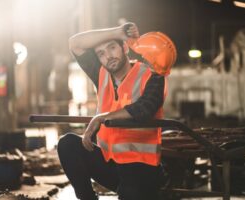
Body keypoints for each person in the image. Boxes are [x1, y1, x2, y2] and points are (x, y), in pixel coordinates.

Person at [57, 22, 169, 200]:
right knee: (67, 144)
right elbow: (75, 43)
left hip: (142, 168)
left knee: (129, 193)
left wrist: (101, 118)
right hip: (111, 162)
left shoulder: (152, 76)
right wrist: (118, 32)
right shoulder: (101, 74)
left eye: (112, 48)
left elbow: (144, 109)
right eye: (101, 53)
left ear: (125, 47)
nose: (108, 57)